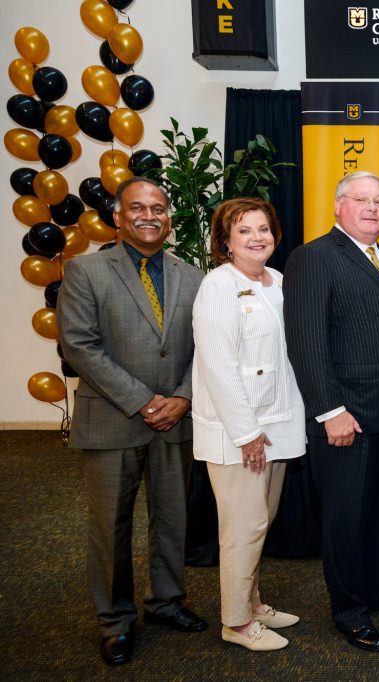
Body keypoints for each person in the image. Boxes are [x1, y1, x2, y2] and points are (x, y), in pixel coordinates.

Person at [57, 177, 207, 666]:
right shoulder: (85, 270)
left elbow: (205, 347)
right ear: (118, 217)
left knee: (172, 519)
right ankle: (115, 621)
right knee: (110, 526)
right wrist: (143, 401)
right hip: (113, 420)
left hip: (176, 420)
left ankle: (166, 602)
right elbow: (79, 345)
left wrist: (183, 397)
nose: (150, 216)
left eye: (159, 208)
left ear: (169, 216)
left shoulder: (192, 275)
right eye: (138, 208)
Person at [283, 171, 379, 653]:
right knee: (345, 519)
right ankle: (349, 610)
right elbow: (305, 341)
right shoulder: (314, 257)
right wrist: (329, 411)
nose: (372, 209)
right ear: (338, 205)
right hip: (348, 417)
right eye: (362, 200)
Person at [191, 198, 307, 651]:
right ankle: (236, 623)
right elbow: (218, 367)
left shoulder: (279, 281)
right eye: (245, 231)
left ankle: (253, 603)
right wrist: (246, 433)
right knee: (243, 526)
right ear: (225, 241)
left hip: (278, 424)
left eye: (264, 229)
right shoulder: (217, 286)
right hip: (241, 433)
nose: (258, 238)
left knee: (261, 521)